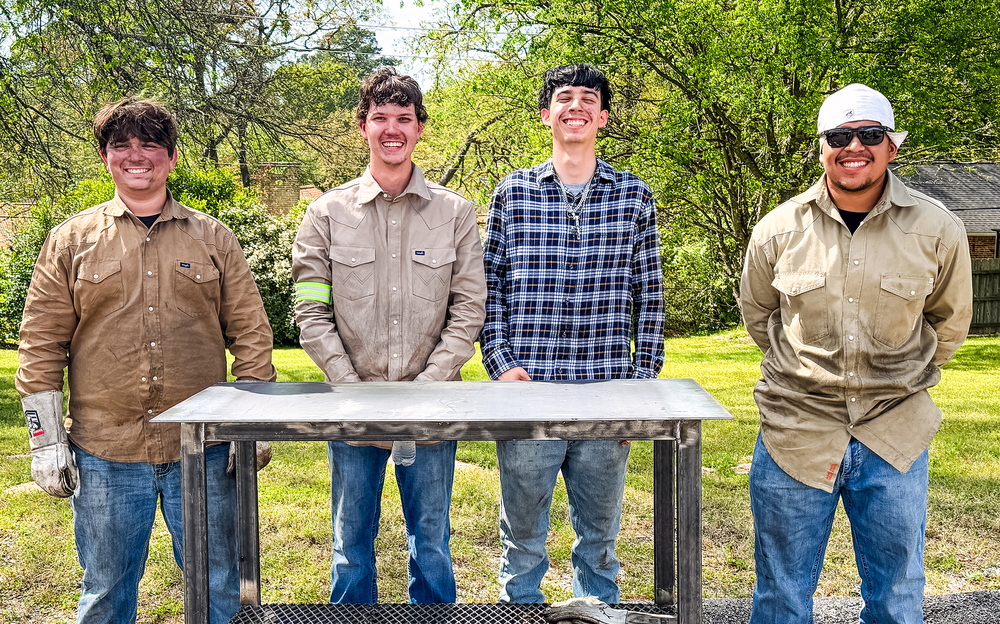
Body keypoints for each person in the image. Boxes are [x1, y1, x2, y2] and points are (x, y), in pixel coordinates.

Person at [16, 97, 277, 624]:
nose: (137, 155)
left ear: (172, 157)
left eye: (150, 144)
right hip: (104, 451)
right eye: (122, 145)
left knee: (217, 588)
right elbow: (40, 345)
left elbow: (251, 336)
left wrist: (254, 427)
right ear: (105, 157)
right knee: (107, 592)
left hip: (203, 451)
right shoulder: (70, 242)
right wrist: (45, 442)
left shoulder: (214, 240)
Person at [739, 83, 973, 623]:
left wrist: (905, 376)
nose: (854, 146)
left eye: (869, 134)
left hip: (895, 433)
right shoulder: (778, 228)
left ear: (891, 146)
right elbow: (759, 315)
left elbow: (950, 321)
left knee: (896, 596)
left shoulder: (938, 229)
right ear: (821, 147)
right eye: (840, 135)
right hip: (795, 430)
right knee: (780, 596)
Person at [291, 66, 486, 604]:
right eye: (380, 118)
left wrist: (430, 386)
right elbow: (311, 309)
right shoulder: (325, 213)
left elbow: (469, 306)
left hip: (433, 405)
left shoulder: (455, 212)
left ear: (420, 127)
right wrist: (349, 389)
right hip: (352, 404)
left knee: (433, 543)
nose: (392, 128)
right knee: (350, 544)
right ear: (363, 127)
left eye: (404, 117)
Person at [481, 63, 665, 604]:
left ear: (603, 118)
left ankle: (598, 613)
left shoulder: (634, 196)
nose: (576, 105)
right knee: (522, 541)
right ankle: (520, 614)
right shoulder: (511, 193)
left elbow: (649, 295)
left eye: (589, 98)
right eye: (565, 97)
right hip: (528, 391)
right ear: (547, 115)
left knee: (600, 540)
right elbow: (489, 286)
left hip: (607, 392)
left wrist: (639, 385)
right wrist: (499, 361)